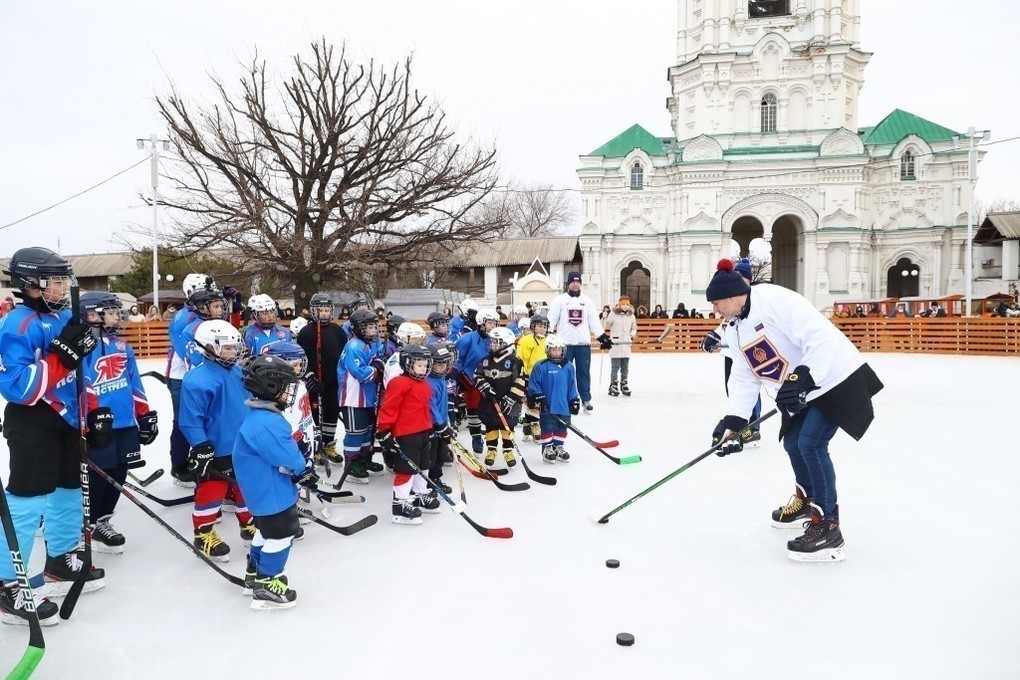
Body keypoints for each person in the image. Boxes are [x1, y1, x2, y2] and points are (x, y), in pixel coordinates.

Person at [704, 258, 883, 562]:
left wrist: (802, 375)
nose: (715, 310)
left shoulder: (775, 300)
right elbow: (745, 374)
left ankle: (829, 525)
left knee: (810, 443)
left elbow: (819, 336)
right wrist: (734, 422)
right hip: (803, 390)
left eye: (718, 303)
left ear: (735, 296)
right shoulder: (733, 327)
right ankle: (807, 499)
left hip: (832, 378)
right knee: (793, 442)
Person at [0, 247, 104, 624]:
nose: (61, 288)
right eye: (53, 282)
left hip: (66, 418)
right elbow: (19, 388)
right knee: (26, 502)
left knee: (69, 489)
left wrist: (94, 409)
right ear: (29, 283)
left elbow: (82, 372)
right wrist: (61, 356)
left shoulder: (64, 316)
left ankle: (59, 559)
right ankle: (7, 582)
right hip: (32, 422)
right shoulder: (18, 324)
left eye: (63, 281)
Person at [234, 354, 317, 609]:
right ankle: (268, 583)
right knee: (281, 536)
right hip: (272, 493)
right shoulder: (267, 423)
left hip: (262, 491)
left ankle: (254, 574)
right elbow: (286, 455)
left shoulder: (260, 416)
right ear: (270, 387)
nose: (290, 392)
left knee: (265, 532)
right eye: (285, 386)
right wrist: (303, 469)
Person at [78, 292, 158, 554]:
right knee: (97, 476)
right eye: (111, 312)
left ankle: (102, 521)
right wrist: (91, 416)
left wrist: (144, 414)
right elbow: (82, 384)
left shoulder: (122, 345)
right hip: (99, 423)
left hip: (124, 422)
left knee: (119, 472)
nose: (117, 316)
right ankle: (85, 524)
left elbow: (134, 382)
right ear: (91, 315)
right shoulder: (82, 346)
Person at [180, 319, 253, 561]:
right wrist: (200, 445)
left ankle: (248, 524)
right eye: (227, 347)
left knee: (247, 486)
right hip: (215, 448)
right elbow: (190, 419)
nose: (234, 351)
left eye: (235, 346)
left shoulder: (238, 372)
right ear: (209, 348)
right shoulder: (197, 379)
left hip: (242, 444)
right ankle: (203, 532)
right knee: (212, 490)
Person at [167, 275, 225, 486]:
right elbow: (189, 354)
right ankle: (180, 465)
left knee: (210, 418)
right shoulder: (184, 318)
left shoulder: (209, 315)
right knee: (185, 421)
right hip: (183, 376)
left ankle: (204, 460)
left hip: (206, 374)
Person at [701, 258, 762, 446]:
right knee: (734, 388)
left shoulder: (757, 302)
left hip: (751, 354)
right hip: (733, 355)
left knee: (752, 388)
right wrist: (714, 337)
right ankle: (740, 423)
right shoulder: (732, 308)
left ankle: (753, 427)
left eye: (743, 279)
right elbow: (726, 325)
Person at [375, 345, 439, 525]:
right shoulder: (398, 383)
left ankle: (419, 494)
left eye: (426, 365)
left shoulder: (425, 384)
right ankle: (400, 504)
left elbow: (425, 408)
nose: (424, 369)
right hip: (406, 434)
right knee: (407, 468)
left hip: (423, 432)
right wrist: (384, 431)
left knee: (423, 465)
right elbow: (389, 408)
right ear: (407, 364)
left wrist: (430, 427)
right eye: (419, 365)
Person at [548, 272, 611, 413]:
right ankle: (563, 397)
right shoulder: (559, 300)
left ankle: (586, 399)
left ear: (580, 284)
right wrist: (548, 333)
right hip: (564, 345)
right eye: (572, 282)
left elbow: (594, 320)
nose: (575, 284)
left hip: (583, 344)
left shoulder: (587, 301)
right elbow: (552, 318)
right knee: (564, 372)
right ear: (568, 284)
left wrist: (601, 336)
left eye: (578, 282)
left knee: (583, 372)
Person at [336, 309, 384, 483]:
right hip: (353, 398)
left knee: (367, 432)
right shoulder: (354, 345)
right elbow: (361, 373)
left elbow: (379, 358)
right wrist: (377, 368)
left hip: (367, 397)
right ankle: (351, 464)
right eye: (369, 327)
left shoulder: (369, 343)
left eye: (374, 327)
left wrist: (379, 363)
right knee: (355, 433)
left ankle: (363, 460)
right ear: (358, 329)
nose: (374, 331)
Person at [296, 293, 344, 455]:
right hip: (314, 382)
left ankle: (329, 444)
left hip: (333, 381)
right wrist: (308, 375)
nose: (324, 313)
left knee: (331, 413)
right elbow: (300, 357)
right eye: (320, 310)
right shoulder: (306, 331)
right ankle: (316, 446)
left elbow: (343, 355)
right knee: (314, 414)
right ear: (313, 311)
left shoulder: (337, 330)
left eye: (326, 310)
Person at [474, 327, 526, 467]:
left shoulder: (515, 361)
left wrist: (510, 398)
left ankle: (508, 451)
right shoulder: (485, 360)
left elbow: (521, 381)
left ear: (507, 343)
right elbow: (477, 375)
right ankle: (491, 450)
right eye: (492, 342)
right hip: (489, 401)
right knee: (491, 425)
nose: (493, 345)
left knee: (507, 426)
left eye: (497, 342)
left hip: (509, 402)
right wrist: (484, 386)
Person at [527, 334, 580, 464]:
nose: (557, 352)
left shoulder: (569, 366)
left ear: (563, 350)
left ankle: (558, 447)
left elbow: (572, 385)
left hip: (564, 405)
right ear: (548, 350)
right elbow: (534, 384)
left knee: (562, 427)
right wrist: (538, 396)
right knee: (548, 426)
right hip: (548, 405)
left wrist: (574, 399)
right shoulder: (541, 365)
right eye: (553, 349)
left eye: (559, 349)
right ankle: (547, 449)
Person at [455, 308, 499, 453]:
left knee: (490, 411)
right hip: (471, 381)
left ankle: (491, 438)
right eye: (490, 323)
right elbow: (458, 361)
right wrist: (461, 377)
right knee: (473, 410)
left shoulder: (496, 341)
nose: (493, 326)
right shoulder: (466, 339)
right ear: (481, 322)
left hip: (491, 380)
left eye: (495, 323)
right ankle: (476, 437)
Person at [425, 343, 455, 494]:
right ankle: (427, 482)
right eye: (438, 364)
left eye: (445, 363)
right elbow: (431, 407)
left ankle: (435, 478)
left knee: (441, 454)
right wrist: (440, 424)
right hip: (432, 427)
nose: (443, 367)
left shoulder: (441, 378)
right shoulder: (428, 382)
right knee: (431, 456)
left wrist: (447, 422)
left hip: (442, 423)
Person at [516, 313, 549, 441]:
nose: (542, 329)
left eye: (545, 326)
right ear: (533, 327)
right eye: (540, 326)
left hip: (545, 378)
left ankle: (527, 424)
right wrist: (522, 377)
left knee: (538, 403)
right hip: (530, 377)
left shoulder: (548, 341)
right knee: (532, 403)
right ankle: (534, 425)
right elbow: (521, 360)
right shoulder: (526, 340)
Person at [605, 296, 637, 397]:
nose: (624, 306)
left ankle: (624, 383)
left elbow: (634, 327)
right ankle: (613, 384)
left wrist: (632, 335)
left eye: (626, 304)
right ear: (619, 304)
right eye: (623, 304)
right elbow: (606, 325)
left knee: (625, 366)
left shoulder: (631, 315)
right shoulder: (613, 314)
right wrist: (604, 317)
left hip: (626, 344)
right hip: (616, 343)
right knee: (615, 366)